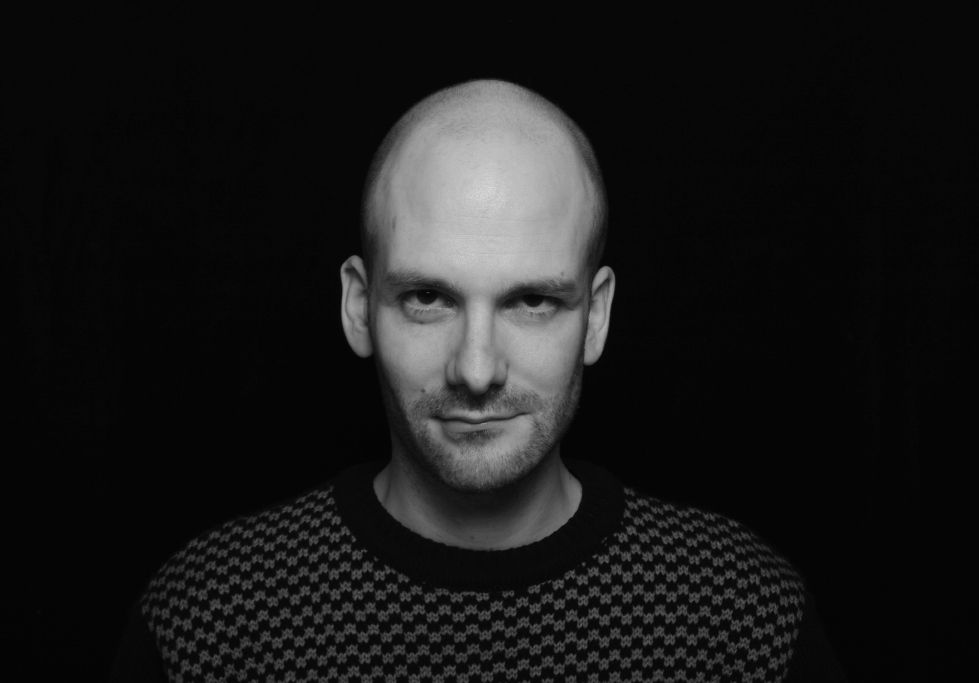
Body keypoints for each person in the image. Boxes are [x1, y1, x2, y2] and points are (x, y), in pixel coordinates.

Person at [111, 79, 846, 682]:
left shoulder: (741, 617)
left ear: (595, 317)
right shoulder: (208, 620)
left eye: (533, 302)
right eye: (429, 298)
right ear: (358, 307)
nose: (476, 370)